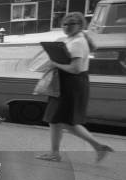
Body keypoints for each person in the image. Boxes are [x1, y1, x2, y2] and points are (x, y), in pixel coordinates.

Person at [36, 11, 113, 163]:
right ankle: (55, 152)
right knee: (56, 120)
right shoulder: (72, 39)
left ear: (80, 25)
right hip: (66, 84)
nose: (67, 27)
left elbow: (75, 69)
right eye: (65, 24)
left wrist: (54, 63)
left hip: (71, 84)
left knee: (64, 121)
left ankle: (97, 146)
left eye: (72, 24)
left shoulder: (78, 42)